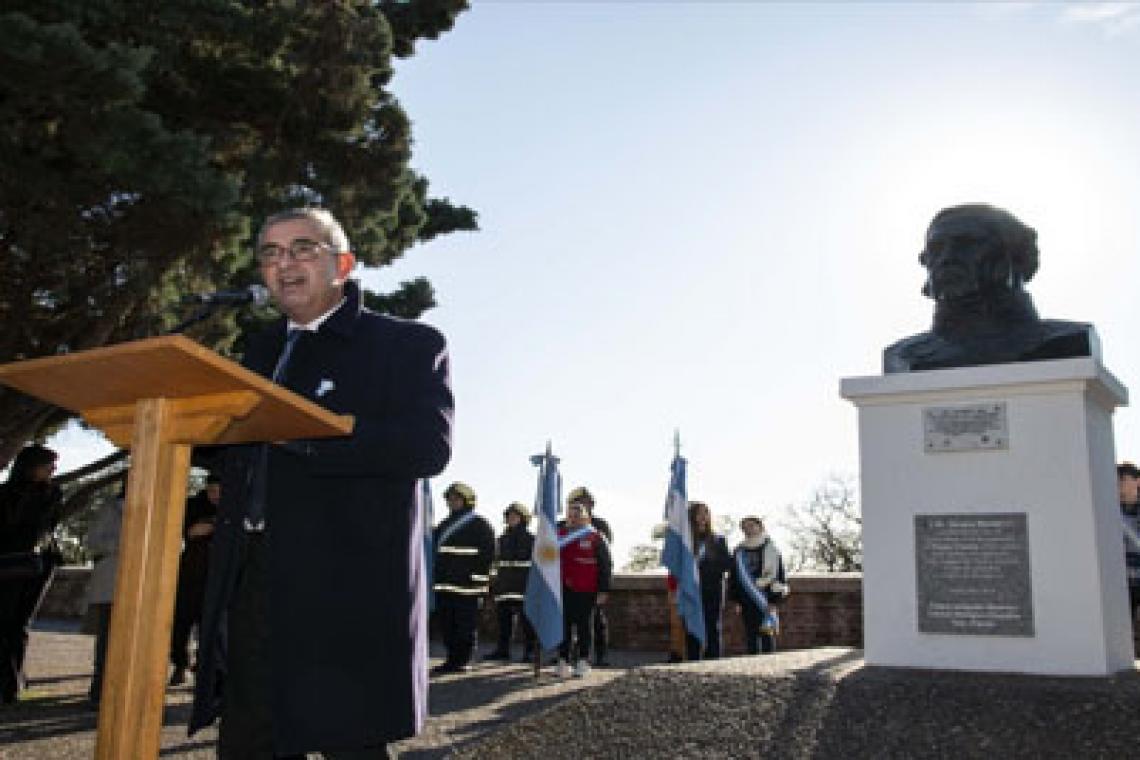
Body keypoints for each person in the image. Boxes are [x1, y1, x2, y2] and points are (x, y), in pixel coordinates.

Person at [189, 207, 454, 759]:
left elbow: (427, 446)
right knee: (249, 740)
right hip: (252, 575)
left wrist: (307, 437)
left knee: (346, 741)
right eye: (270, 252)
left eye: (302, 248)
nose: (284, 263)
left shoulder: (407, 344)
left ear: (345, 264)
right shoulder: (260, 351)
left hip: (344, 586)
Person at [883, 204, 1098, 373]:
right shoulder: (903, 355)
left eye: (967, 244)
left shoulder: (1065, 342)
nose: (947, 257)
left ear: (1017, 257)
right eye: (936, 248)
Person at [0, 444, 63, 704]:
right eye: (49, 464)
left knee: (19, 624)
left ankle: (11, 685)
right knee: (4, 622)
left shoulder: (51, 493)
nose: (53, 470)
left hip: (35, 565)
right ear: (32, 465)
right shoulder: (6, 493)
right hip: (8, 562)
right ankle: (9, 680)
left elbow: (44, 525)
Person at [430, 482, 494, 676]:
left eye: (456, 499)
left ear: (467, 501)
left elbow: (488, 555)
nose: (452, 502)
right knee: (447, 625)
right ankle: (451, 660)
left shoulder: (479, 524)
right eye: (449, 499)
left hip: (467, 586)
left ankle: (463, 660)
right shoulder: (443, 525)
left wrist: (478, 580)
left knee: (465, 626)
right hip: (445, 585)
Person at [170, 473, 220, 686]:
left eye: (220, 491)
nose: (216, 496)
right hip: (191, 574)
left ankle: (204, 668)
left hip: (216, 575)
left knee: (211, 626)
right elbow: (191, 531)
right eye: (212, 490)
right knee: (182, 623)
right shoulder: (191, 505)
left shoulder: (233, 505)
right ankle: (180, 664)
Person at [556, 497, 612, 678]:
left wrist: (604, 590)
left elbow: (605, 565)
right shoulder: (559, 536)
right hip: (563, 588)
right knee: (563, 627)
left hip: (587, 590)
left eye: (577, 515)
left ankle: (583, 660)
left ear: (587, 518)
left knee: (584, 627)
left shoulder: (596, 537)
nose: (573, 519)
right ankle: (563, 660)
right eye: (570, 516)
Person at [85, 479, 125, 707]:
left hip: (145, 587)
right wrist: (120, 544)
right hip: (111, 583)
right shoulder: (110, 508)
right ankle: (99, 690)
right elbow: (92, 540)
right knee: (107, 640)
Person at [485, 501, 537, 663]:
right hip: (504, 586)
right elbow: (494, 563)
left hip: (524, 586)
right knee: (503, 622)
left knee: (527, 623)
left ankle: (529, 652)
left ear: (523, 519)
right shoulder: (500, 540)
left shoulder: (532, 540)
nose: (511, 519)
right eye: (509, 516)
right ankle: (502, 650)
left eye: (515, 516)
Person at [730, 516, 788, 655]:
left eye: (751, 525)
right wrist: (736, 600)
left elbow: (779, 575)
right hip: (746, 598)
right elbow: (734, 577)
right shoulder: (739, 551)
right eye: (744, 527)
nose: (748, 529)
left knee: (767, 633)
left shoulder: (772, 549)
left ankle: (769, 666)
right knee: (751, 635)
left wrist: (774, 600)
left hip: (766, 597)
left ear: (760, 527)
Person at [687, 501, 732, 660]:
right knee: (692, 625)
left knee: (712, 626)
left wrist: (706, 570)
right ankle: (693, 659)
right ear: (692, 516)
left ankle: (713, 659)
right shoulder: (686, 540)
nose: (703, 516)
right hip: (692, 588)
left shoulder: (718, 539)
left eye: (706, 513)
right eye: (699, 513)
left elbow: (727, 564)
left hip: (713, 588)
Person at [1119, 462, 1140, 625]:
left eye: (1124, 479)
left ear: (1137, 481)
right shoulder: (1112, 511)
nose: (1120, 484)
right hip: (1124, 581)